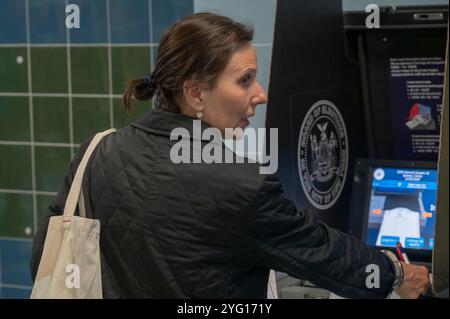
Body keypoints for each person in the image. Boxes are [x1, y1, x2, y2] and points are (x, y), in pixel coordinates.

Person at [30, 12, 430, 299]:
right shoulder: (241, 184)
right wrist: (395, 274)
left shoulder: (96, 151)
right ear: (196, 93)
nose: (260, 94)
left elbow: (44, 261)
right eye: (244, 81)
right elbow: (322, 253)